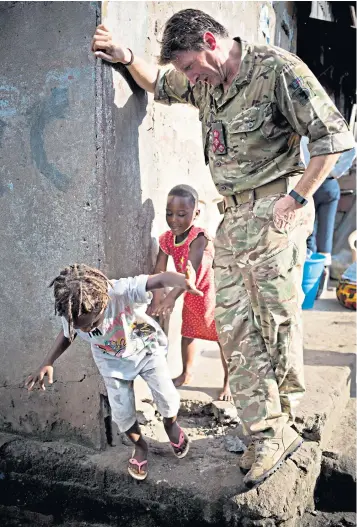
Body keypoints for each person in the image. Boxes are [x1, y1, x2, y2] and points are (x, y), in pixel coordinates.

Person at [91, 9, 355, 488]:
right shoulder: (201, 83)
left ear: (211, 41)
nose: (189, 78)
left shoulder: (277, 68)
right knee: (232, 326)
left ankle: (283, 424)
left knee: (274, 320)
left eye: (190, 66)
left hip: (277, 207)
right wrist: (125, 55)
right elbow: (157, 84)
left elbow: (332, 138)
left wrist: (297, 198)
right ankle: (265, 429)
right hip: (232, 219)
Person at [25, 262, 202, 481]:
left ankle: (171, 425)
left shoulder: (118, 291)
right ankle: (140, 446)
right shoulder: (71, 310)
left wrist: (181, 281)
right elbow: (67, 334)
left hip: (145, 345)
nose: (88, 330)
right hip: (111, 361)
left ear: (103, 302)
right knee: (122, 413)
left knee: (166, 396)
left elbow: (156, 280)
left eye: (92, 324)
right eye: (82, 328)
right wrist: (48, 361)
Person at [149, 184, 231, 401]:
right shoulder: (166, 239)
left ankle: (228, 382)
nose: (174, 219)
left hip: (211, 293)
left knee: (221, 338)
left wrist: (170, 297)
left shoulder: (199, 237)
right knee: (188, 333)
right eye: (169, 213)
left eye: (181, 214)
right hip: (190, 293)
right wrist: (157, 298)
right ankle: (187, 372)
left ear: (196, 214)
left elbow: (191, 269)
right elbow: (158, 269)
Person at [301, 137, 356, 295]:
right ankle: (321, 281)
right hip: (329, 184)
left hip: (308, 184)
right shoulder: (333, 131)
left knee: (309, 231)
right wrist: (335, 171)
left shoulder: (304, 134)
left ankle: (309, 279)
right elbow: (352, 148)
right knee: (326, 233)